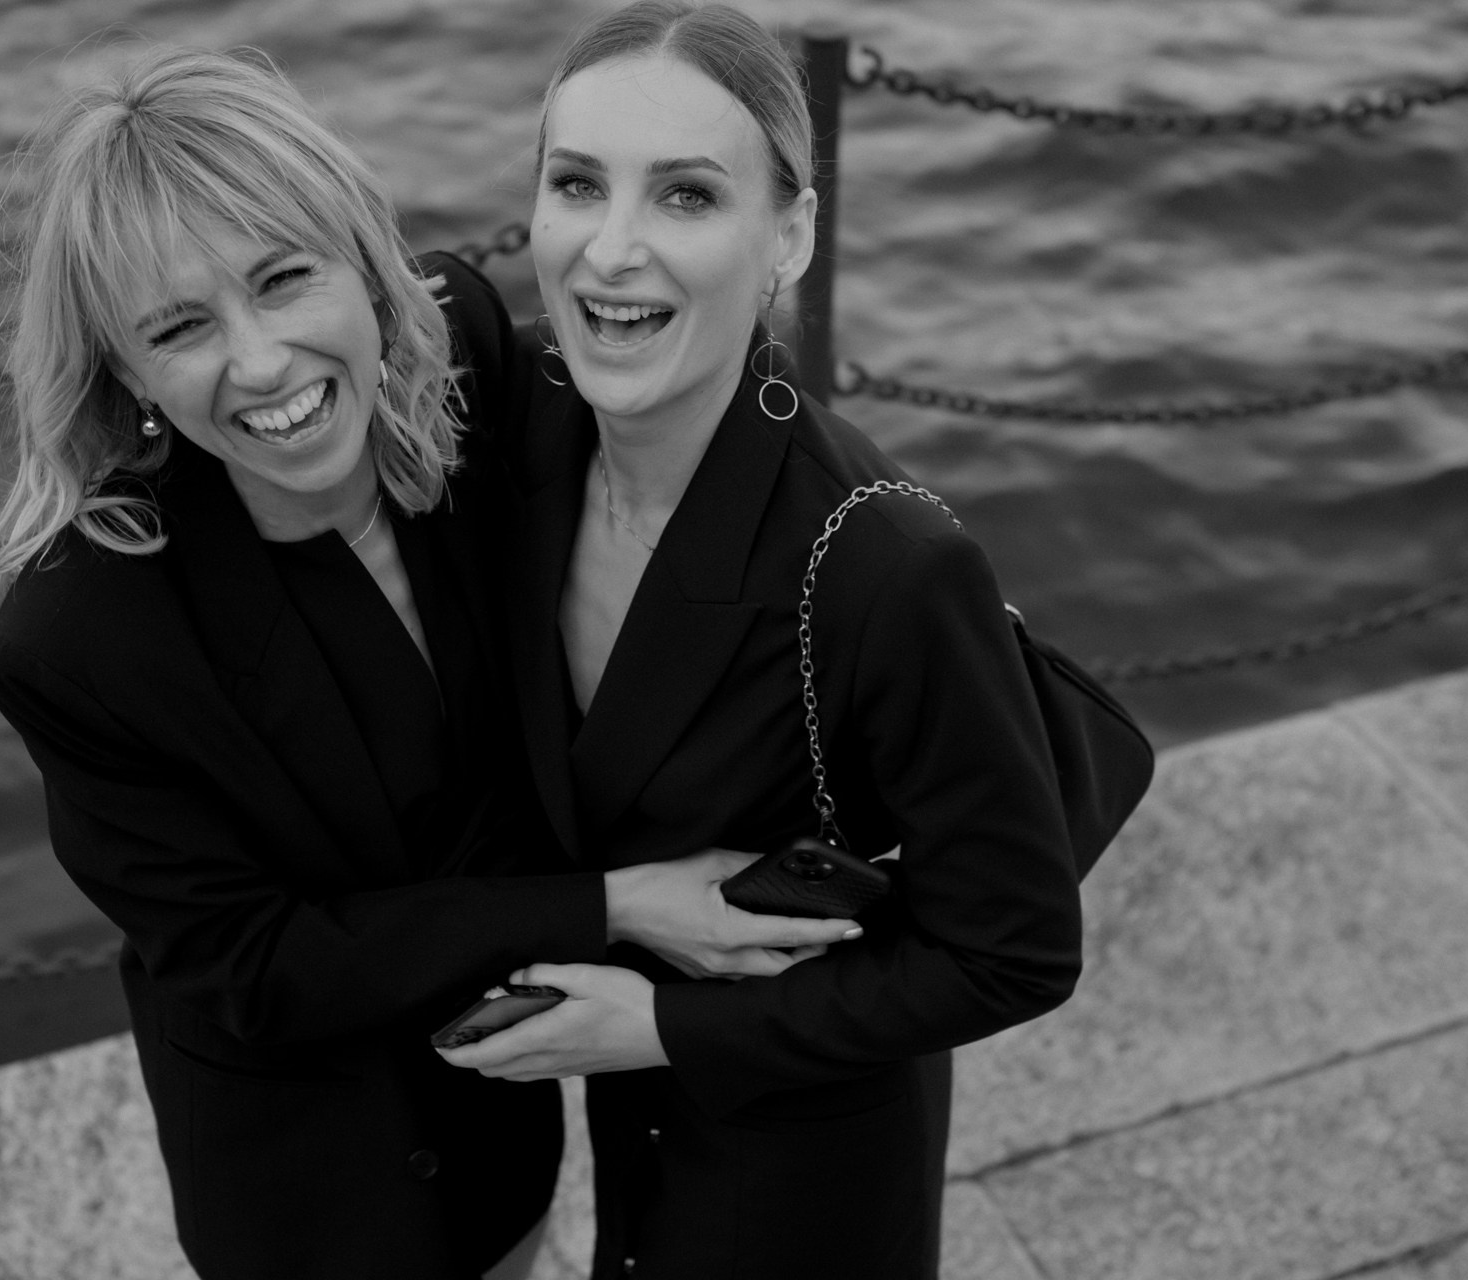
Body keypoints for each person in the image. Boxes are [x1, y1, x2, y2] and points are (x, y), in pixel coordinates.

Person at [0, 45, 856, 1280]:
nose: (261, 362)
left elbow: (688, 433)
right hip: (310, 1175)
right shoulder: (80, 636)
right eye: (180, 327)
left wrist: (889, 563)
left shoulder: (469, 357)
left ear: (363, 259)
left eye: (285, 279)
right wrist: (618, 902)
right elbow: (253, 966)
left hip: (504, 1106)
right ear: (127, 372)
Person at [437, 6, 1085, 1278]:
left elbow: (1015, 950)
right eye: (578, 185)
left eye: (686, 194)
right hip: (622, 1132)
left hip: (806, 1169)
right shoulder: (528, 429)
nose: (611, 250)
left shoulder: (886, 564)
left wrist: (663, 1027)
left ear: (789, 234)